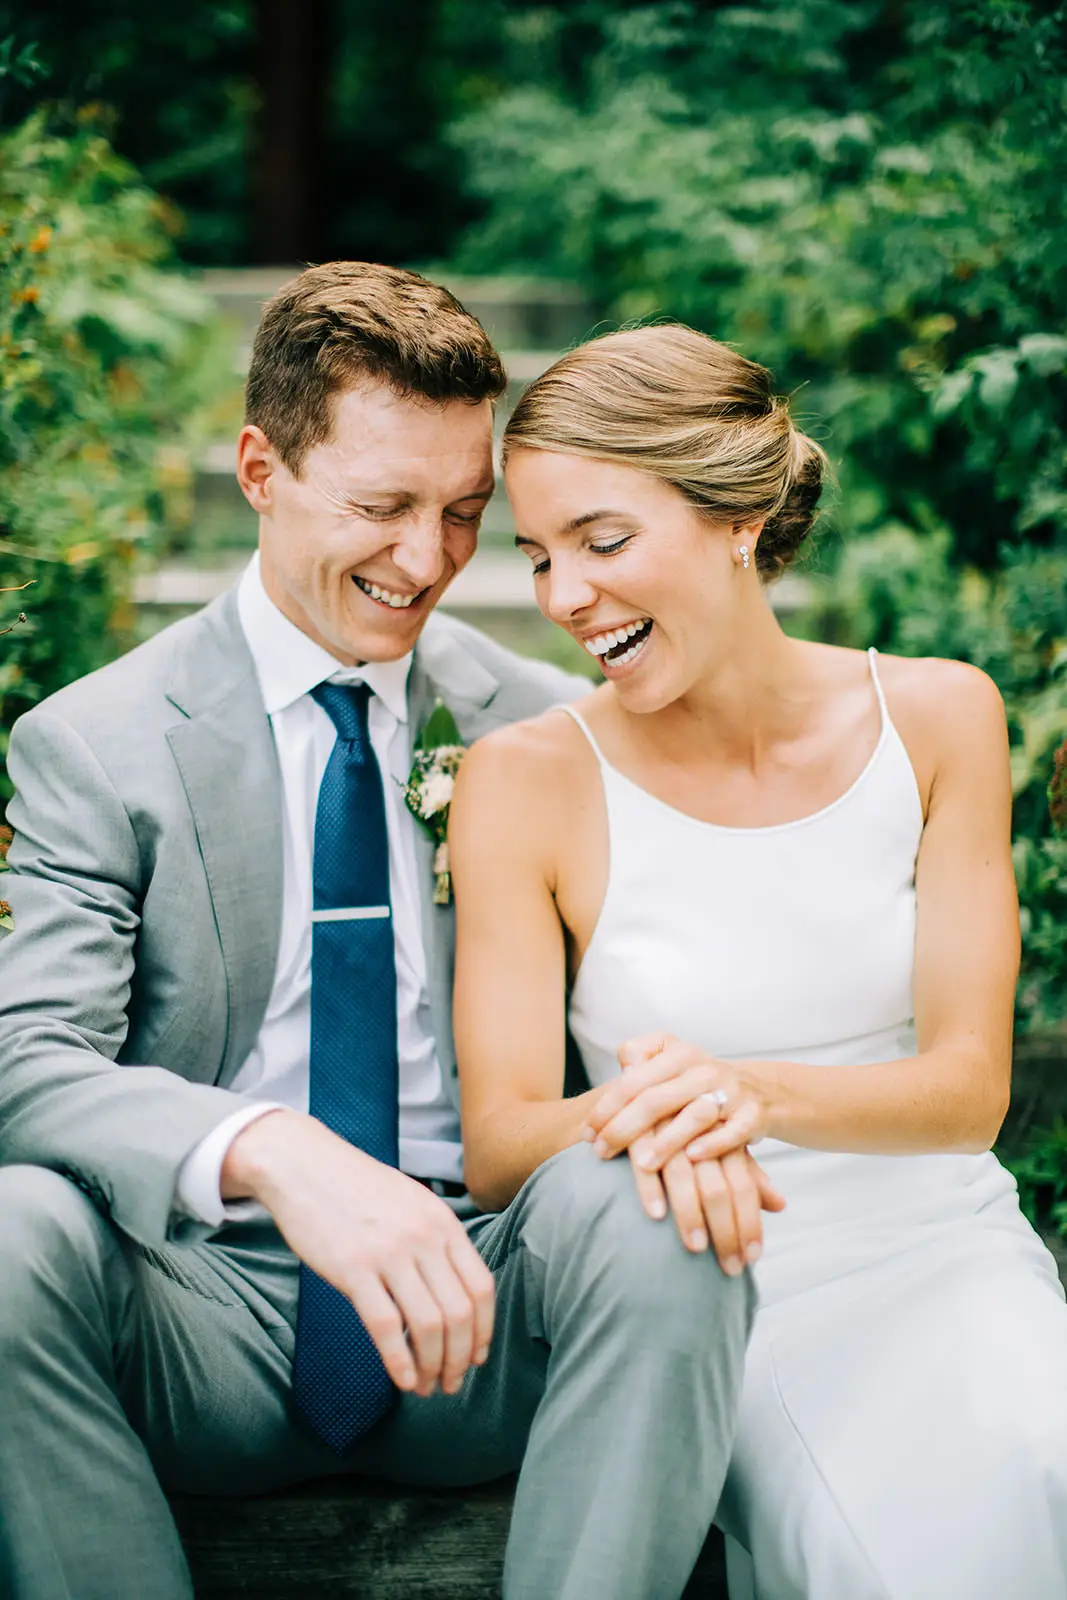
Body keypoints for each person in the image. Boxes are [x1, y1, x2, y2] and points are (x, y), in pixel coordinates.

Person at [0, 268, 761, 1600]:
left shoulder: (540, 722)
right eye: (381, 507)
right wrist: (271, 1152)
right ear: (258, 467)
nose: (427, 562)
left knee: (668, 1219)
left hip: (488, 1297)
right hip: (203, 1310)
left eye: (464, 513)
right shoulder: (98, 744)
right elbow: (23, 1062)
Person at [450, 323, 1067, 1599]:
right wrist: (668, 1118)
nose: (564, 595)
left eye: (602, 542)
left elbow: (968, 1093)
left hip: (948, 1258)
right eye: (540, 555)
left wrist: (749, 1088)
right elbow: (504, 1141)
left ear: (737, 517)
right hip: (725, 1290)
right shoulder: (526, 779)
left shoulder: (939, 716)